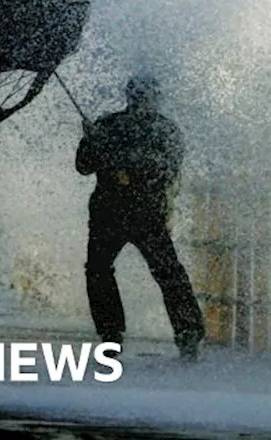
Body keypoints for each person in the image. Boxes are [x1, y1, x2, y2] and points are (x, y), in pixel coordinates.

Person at [76, 72, 205, 362]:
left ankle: (115, 336)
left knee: (107, 272)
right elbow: (84, 165)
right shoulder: (152, 129)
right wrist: (91, 141)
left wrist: (114, 153)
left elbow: (165, 168)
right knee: (162, 273)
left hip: (130, 213)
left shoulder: (119, 127)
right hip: (131, 213)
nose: (142, 102)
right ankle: (183, 335)